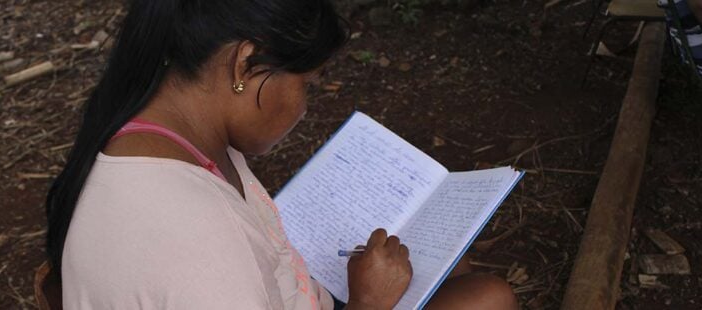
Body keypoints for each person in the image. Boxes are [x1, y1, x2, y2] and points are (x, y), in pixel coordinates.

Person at [44, 0, 518, 309]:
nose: (305, 107)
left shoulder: (160, 131)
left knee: (453, 266)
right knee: (488, 299)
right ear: (245, 64)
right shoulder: (201, 246)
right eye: (305, 85)